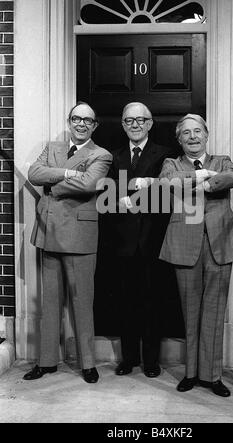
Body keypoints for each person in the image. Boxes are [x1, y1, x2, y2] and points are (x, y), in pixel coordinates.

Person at [23, 102, 112, 384]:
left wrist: (53, 183)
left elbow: (88, 184)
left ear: (94, 125)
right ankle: (47, 361)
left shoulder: (102, 154)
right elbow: (35, 174)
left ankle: (88, 364)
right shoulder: (53, 148)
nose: (81, 124)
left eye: (87, 120)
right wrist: (68, 173)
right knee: (49, 304)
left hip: (80, 236)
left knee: (82, 302)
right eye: (76, 119)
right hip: (49, 232)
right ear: (69, 121)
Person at [159, 114, 233, 397]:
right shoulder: (172, 164)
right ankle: (192, 373)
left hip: (220, 243)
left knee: (215, 311)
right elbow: (166, 182)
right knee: (190, 311)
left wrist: (208, 183)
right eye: (186, 133)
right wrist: (197, 175)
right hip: (184, 244)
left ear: (206, 134)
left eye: (198, 131)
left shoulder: (222, 160)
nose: (193, 137)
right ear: (179, 139)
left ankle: (212, 375)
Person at [107, 102, 172, 378]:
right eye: (129, 120)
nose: (135, 125)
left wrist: (133, 196)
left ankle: (151, 361)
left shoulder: (165, 156)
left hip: (153, 240)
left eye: (140, 120)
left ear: (150, 123)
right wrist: (120, 201)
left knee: (152, 302)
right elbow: (107, 198)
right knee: (125, 302)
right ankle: (128, 359)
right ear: (122, 124)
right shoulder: (114, 156)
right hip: (122, 242)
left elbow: (168, 195)